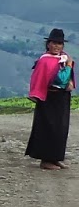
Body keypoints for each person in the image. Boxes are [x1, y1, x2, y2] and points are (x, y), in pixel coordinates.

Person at [26, 28, 75, 171]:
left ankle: (56, 157)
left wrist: (70, 80)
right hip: (48, 98)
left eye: (59, 44)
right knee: (48, 128)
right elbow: (39, 78)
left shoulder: (64, 58)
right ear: (48, 44)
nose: (57, 46)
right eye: (54, 43)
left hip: (62, 98)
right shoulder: (44, 60)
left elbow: (68, 75)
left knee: (61, 128)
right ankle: (45, 160)